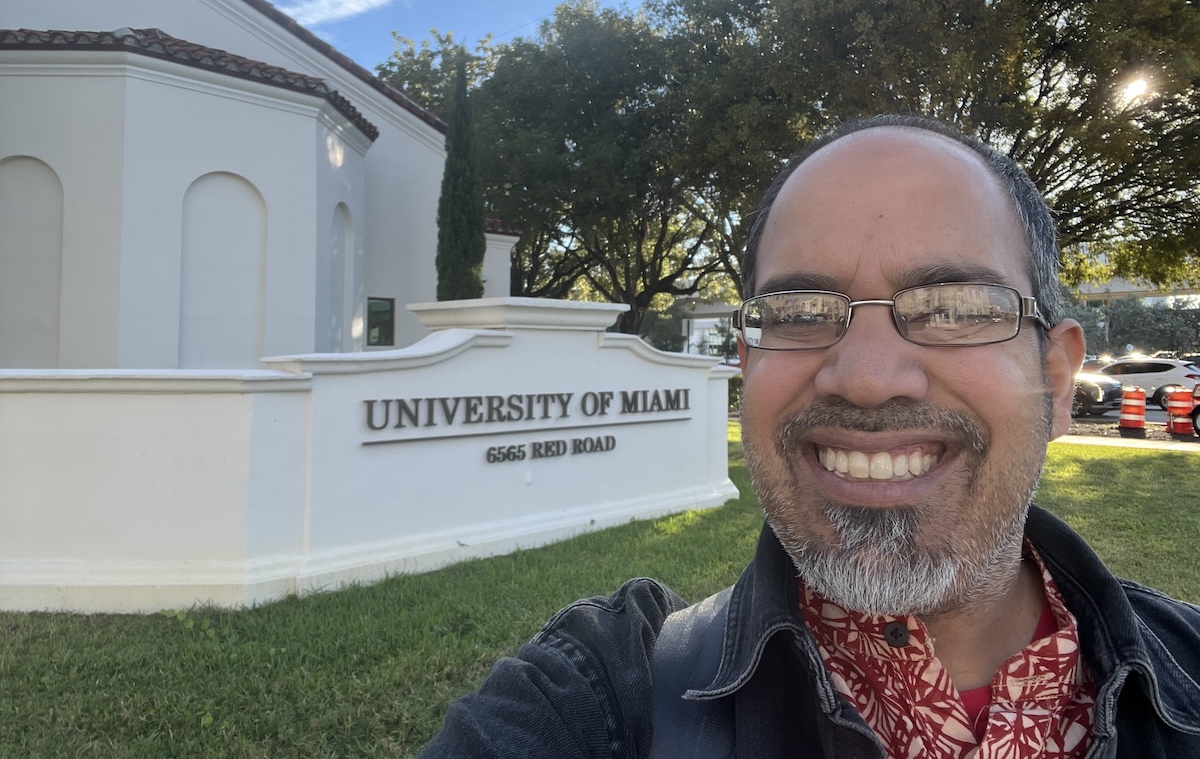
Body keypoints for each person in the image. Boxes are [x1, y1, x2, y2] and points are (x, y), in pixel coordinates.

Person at [418, 115, 1200, 758]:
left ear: (1057, 380)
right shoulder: (597, 696)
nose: (864, 376)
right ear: (749, 366)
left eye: (954, 307)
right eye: (797, 313)